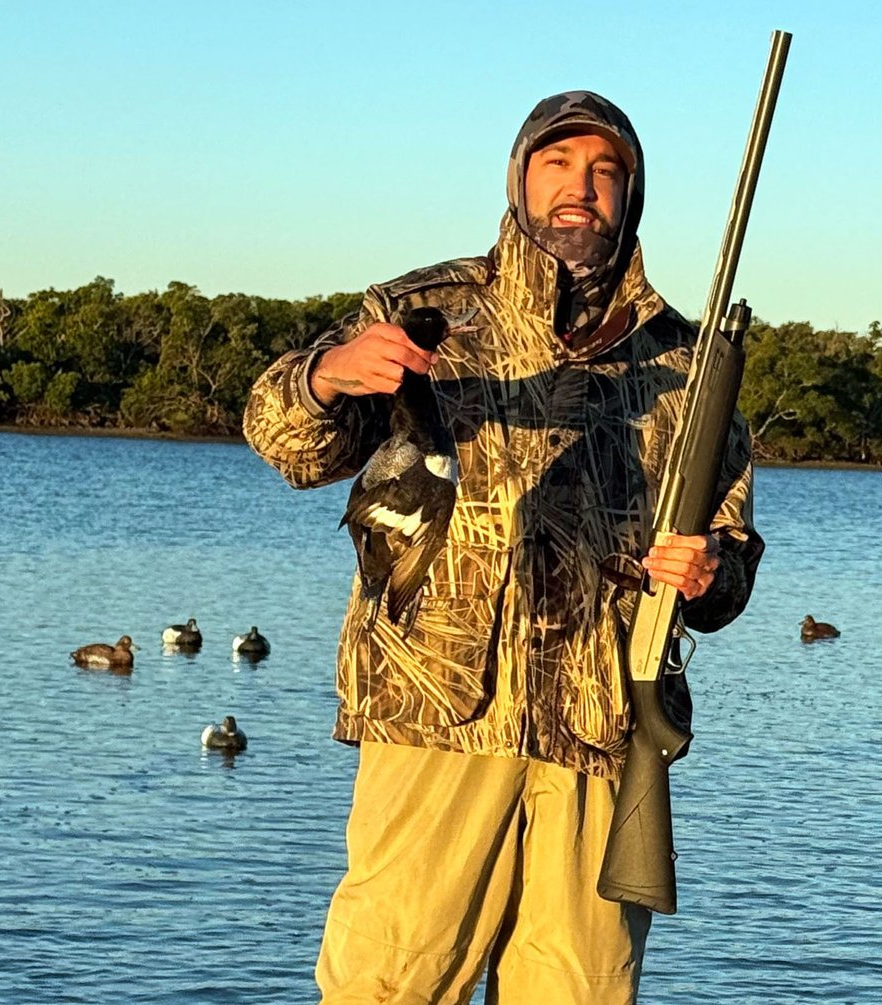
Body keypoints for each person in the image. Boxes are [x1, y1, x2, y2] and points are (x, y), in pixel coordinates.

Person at [244, 91, 763, 1005]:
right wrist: (326, 377)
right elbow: (288, 443)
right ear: (519, 178)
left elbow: (730, 553)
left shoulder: (688, 359)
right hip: (440, 717)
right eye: (558, 165)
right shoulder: (423, 313)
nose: (581, 189)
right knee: (388, 984)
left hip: (601, 736)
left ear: (630, 195)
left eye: (606, 172)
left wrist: (713, 572)